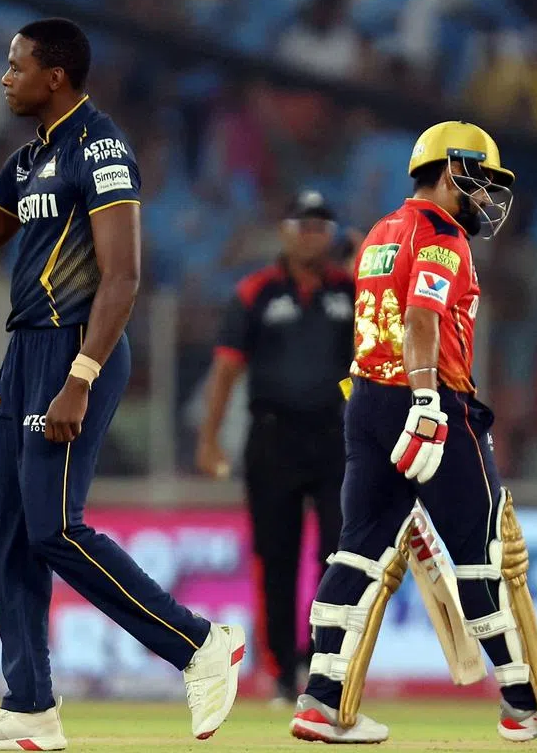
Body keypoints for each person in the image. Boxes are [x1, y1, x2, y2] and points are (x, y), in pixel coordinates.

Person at [0, 19, 244, 751]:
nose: (4, 78)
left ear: (54, 75)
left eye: (15, 65)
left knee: (54, 527)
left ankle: (198, 645)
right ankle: (29, 707)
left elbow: (122, 276)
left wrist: (81, 377)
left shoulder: (101, 148)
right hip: (24, 352)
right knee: (10, 539)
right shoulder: (30, 159)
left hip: (75, 350)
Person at [287, 121, 537, 744]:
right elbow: (419, 317)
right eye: (481, 179)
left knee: (356, 551)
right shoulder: (443, 236)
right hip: (431, 404)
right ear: (450, 169)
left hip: (368, 404)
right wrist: (429, 398)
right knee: (489, 553)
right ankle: (531, 704)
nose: (487, 195)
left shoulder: (380, 232)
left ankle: (320, 701)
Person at [196, 191, 352, 703]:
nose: (311, 234)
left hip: (336, 438)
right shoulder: (256, 293)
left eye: (320, 225)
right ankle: (283, 671)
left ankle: (325, 659)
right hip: (273, 438)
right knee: (275, 559)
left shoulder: (351, 291)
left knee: (343, 554)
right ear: (284, 231)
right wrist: (209, 438)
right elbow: (226, 368)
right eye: (302, 224)